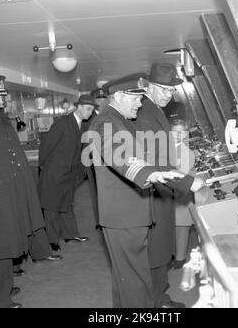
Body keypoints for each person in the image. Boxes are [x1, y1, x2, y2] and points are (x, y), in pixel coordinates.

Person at [85, 74, 196, 308]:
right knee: (135, 284)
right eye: (136, 98)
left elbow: (145, 154)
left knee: (130, 282)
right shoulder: (106, 122)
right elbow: (118, 152)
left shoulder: (122, 120)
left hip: (132, 213)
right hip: (123, 216)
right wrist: (148, 174)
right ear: (119, 96)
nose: (139, 104)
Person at [134, 63, 205, 308]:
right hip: (153, 192)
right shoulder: (146, 114)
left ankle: (160, 296)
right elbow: (155, 159)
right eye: (162, 89)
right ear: (148, 86)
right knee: (156, 250)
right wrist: (188, 181)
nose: (168, 95)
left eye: (170, 90)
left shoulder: (154, 110)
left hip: (160, 190)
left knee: (161, 248)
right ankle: (157, 302)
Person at [0, 76, 58, 308]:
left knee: (6, 246)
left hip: (9, 196)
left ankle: (2, 287)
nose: (3, 100)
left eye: (3, 95)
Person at [38, 95, 96, 251]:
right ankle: (52, 240)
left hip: (69, 173)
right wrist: (43, 166)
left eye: (92, 110)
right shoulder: (63, 123)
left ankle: (70, 234)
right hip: (55, 171)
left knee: (67, 204)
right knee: (52, 206)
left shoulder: (82, 125)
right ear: (79, 107)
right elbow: (47, 146)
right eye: (88, 109)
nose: (90, 113)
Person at [171, 119, 197, 269]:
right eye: (175, 131)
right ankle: (173, 255)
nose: (179, 134)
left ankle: (179, 259)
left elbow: (182, 175)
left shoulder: (187, 152)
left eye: (182, 132)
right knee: (171, 227)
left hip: (181, 194)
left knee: (181, 227)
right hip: (168, 193)